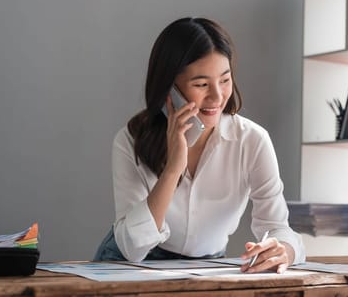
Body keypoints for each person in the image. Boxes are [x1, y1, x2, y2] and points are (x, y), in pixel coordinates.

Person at [94, 17, 305, 273]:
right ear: (169, 89)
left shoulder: (252, 140)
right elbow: (132, 247)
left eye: (225, 80)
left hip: (206, 266)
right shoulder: (130, 140)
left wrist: (284, 250)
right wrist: (173, 169)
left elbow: (278, 226)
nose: (217, 96)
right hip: (129, 265)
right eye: (201, 84)